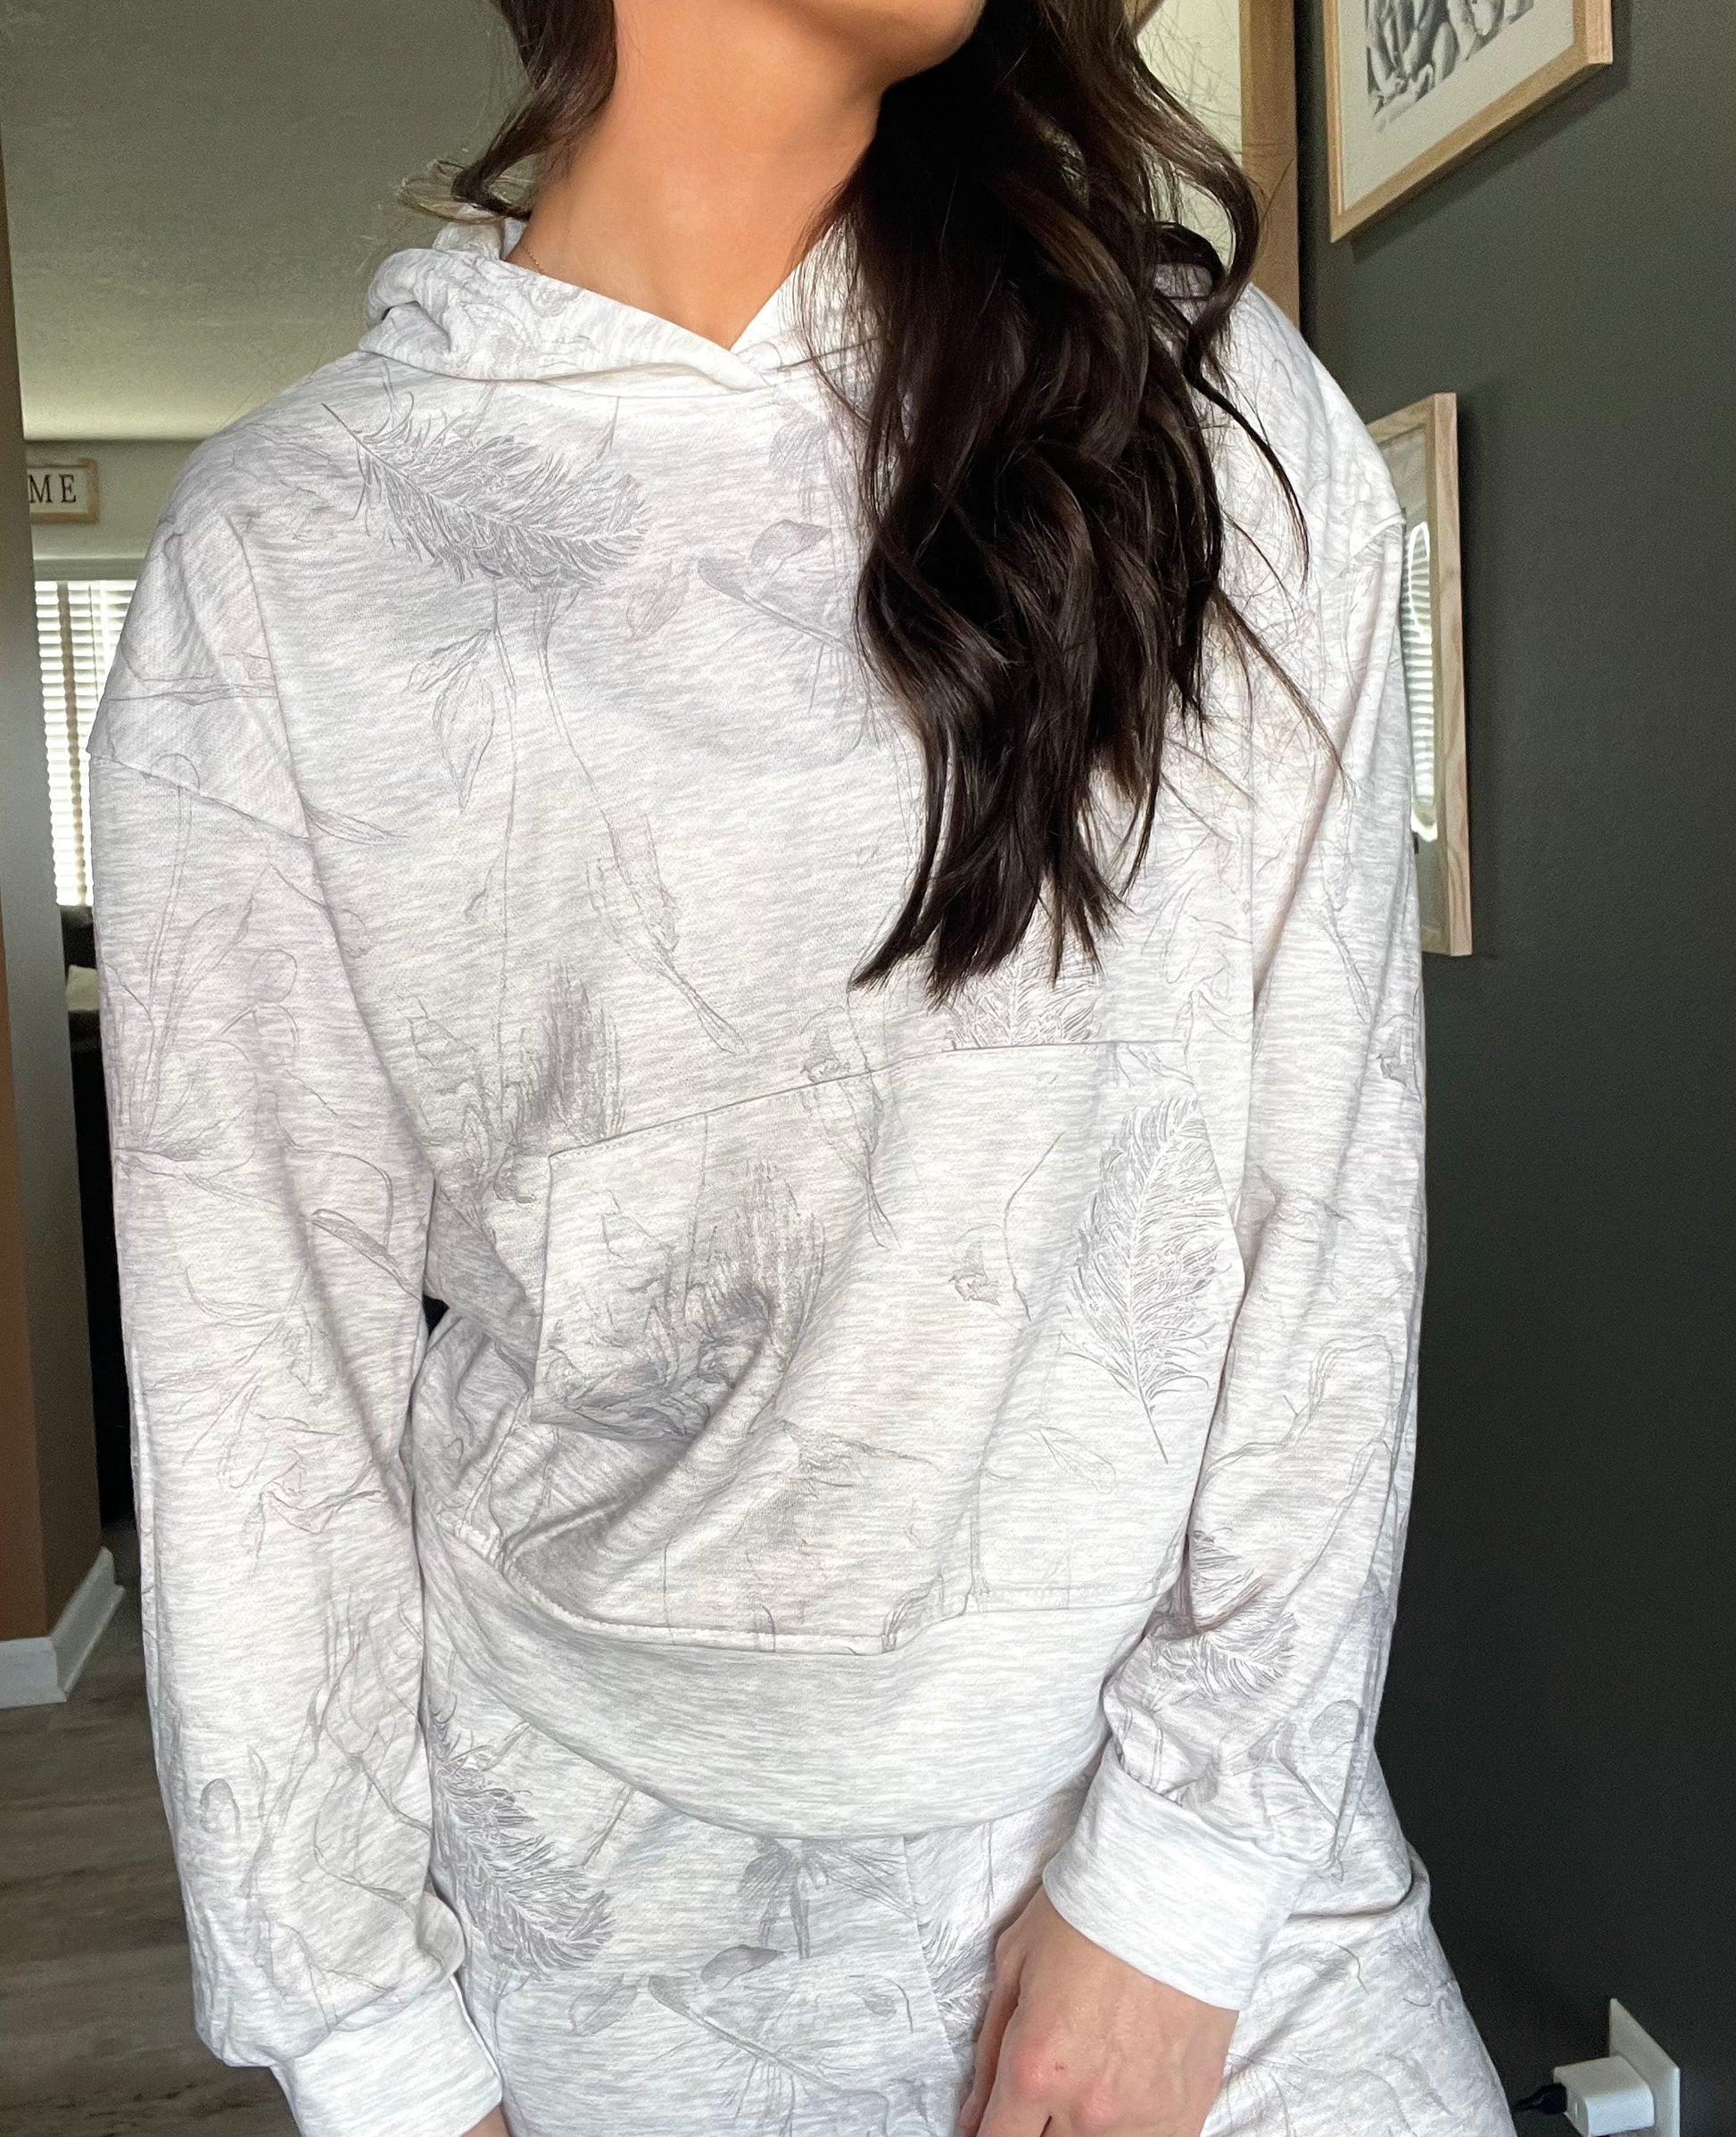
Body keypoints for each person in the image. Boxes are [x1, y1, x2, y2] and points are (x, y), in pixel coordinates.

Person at [87, 3, 1515, 2133]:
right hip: (600, 1913)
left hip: (1191, 1859)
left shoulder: (1198, 417)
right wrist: (375, 2048)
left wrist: (1181, 1885)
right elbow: (257, 1379)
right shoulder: (291, 555)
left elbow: (1322, 1203)